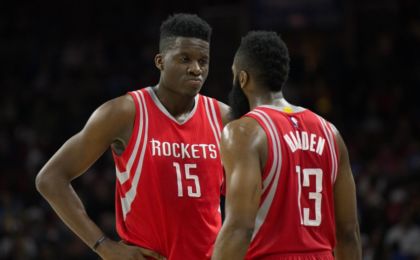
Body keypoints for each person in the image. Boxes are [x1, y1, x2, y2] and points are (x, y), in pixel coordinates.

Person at [36, 13, 230, 260]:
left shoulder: (225, 119)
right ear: (160, 61)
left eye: (203, 60)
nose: (196, 69)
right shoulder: (124, 112)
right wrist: (104, 246)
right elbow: (50, 178)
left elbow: (252, 199)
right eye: (184, 59)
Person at [212, 31, 362, 260]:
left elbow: (239, 229)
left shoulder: (244, 132)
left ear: (242, 79)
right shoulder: (331, 133)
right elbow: (349, 234)